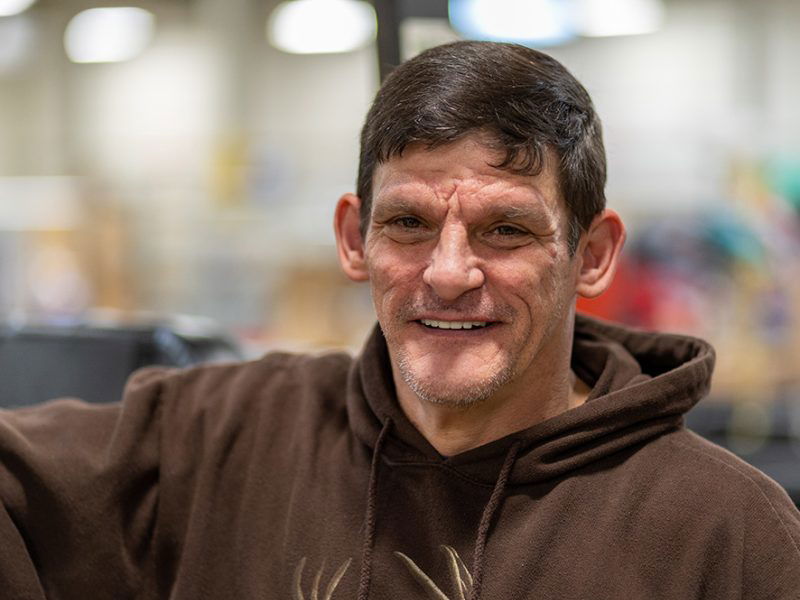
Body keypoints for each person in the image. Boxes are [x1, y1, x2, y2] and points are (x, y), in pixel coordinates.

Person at [1, 41, 799, 600]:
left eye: (507, 230)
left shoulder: (727, 534)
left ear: (591, 254)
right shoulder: (218, 438)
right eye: (409, 224)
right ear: (354, 238)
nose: (448, 274)